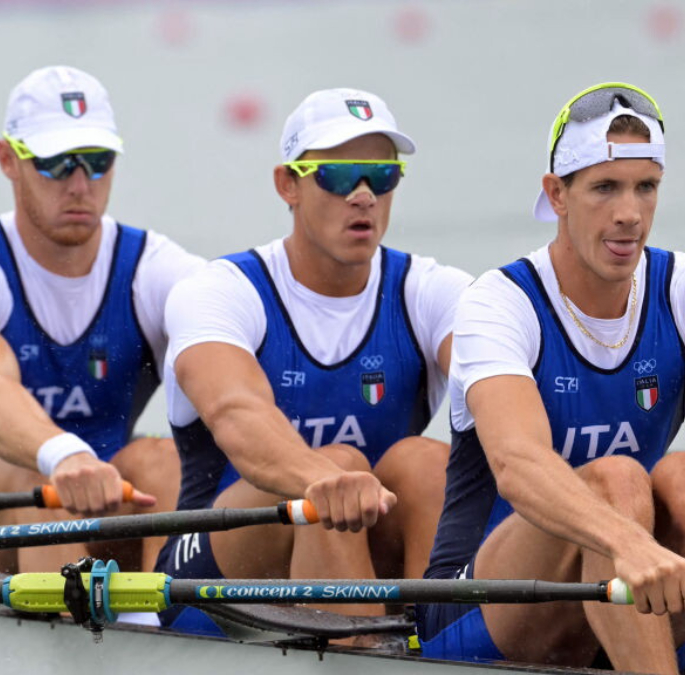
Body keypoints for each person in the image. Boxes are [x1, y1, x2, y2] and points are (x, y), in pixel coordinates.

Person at [418, 83, 685, 675]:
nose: (629, 213)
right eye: (605, 188)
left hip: (634, 592)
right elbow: (517, 463)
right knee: (616, 481)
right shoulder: (499, 304)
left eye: (646, 187)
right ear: (557, 194)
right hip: (479, 610)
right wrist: (625, 541)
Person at [156, 87, 472, 634]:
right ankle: (369, 657)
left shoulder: (433, 292)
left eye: (383, 175)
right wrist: (323, 479)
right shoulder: (221, 291)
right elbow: (236, 411)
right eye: (340, 176)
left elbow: (510, 393)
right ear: (289, 185)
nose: (364, 195)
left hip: (362, 554)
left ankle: (443, 644)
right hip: (211, 576)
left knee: (424, 462)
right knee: (341, 466)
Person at [0, 65, 204, 575]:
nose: (80, 184)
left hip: (99, 512)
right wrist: (62, 455)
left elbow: (237, 369)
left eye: (97, 161)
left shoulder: (156, 267)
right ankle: (66, 634)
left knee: (161, 460)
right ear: (8, 159)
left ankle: (172, 628)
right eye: (56, 163)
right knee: (41, 483)